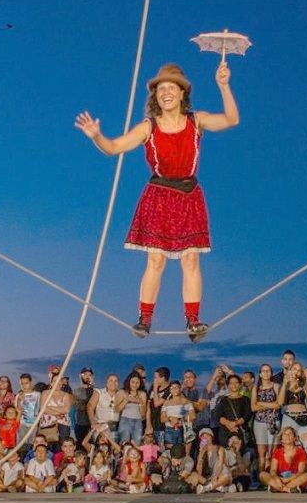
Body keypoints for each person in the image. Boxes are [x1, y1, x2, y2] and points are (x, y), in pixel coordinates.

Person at [75, 57, 241, 340]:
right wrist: (96, 136)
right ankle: (144, 319)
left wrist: (224, 86)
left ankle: (193, 321)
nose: (166, 92)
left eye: (171, 88)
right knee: (156, 260)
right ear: (156, 96)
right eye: (161, 88)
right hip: (160, 194)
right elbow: (113, 147)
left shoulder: (196, 120)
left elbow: (231, 119)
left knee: (191, 260)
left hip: (189, 195)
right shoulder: (148, 127)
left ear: (182, 93)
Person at [261, 426, 307, 493]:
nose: (287, 435)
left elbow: (300, 471)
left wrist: (288, 480)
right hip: (280, 480)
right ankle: (287, 489)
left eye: (290, 433)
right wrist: (277, 479)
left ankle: (280, 488)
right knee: (262, 474)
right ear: (281, 439)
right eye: (285, 434)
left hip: (294, 480)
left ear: (294, 438)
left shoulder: (301, 452)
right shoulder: (277, 452)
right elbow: (273, 470)